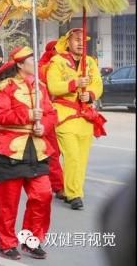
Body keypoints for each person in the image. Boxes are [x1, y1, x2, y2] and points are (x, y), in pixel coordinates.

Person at [0, 46, 57, 260]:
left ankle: (31, 240)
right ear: (19, 64)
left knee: (43, 195)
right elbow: (0, 116)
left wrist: (43, 125)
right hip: (10, 149)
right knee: (8, 202)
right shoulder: (4, 87)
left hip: (37, 148)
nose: (35, 64)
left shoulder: (41, 88)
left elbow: (52, 114)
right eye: (31, 61)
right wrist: (28, 114)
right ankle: (6, 243)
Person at [46, 28, 105, 210]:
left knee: (82, 159)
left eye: (83, 40)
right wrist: (74, 84)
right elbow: (53, 87)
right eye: (77, 40)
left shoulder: (90, 62)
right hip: (65, 115)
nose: (81, 43)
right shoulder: (57, 61)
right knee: (72, 156)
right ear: (68, 42)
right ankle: (74, 194)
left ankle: (73, 189)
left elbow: (98, 84)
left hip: (85, 116)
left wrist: (91, 95)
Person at [37, 40, 65, 201]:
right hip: (46, 113)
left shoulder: (64, 64)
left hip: (61, 114)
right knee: (51, 152)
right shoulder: (43, 68)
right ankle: (58, 185)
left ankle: (63, 184)